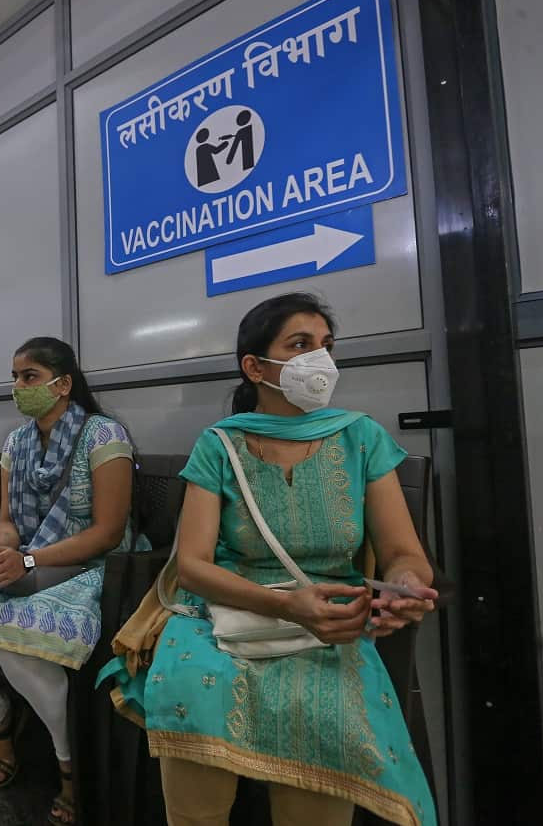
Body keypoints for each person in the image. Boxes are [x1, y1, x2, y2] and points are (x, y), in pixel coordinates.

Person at [99, 293, 439, 826]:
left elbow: (403, 554)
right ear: (255, 367)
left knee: (325, 742)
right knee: (191, 697)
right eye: (300, 345)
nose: (319, 360)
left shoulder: (361, 439)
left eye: (326, 346)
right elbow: (193, 565)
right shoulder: (220, 446)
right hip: (222, 614)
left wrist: (404, 588)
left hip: (329, 623)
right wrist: (285, 607)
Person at [0, 338, 136, 826]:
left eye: (30, 377)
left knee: (15, 648)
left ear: (63, 384)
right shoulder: (19, 443)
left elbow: (108, 532)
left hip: (96, 565)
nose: (18, 388)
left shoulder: (103, 436)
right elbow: (6, 522)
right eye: (15, 377)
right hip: (29, 560)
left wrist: (26, 560)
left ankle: (68, 763)